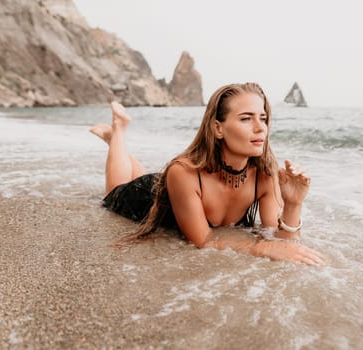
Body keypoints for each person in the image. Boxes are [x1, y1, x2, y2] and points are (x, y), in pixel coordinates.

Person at [90, 82, 325, 266]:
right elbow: (202, 239)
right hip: (148, 197)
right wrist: (259, 248)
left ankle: (117, 143)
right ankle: (118, 132)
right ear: (218, 128)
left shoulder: (265, 174)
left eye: (262, 118)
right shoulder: (183, 172)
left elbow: (278, 240)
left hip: (174, 192)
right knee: (115, 190)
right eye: (246, 118)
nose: (260, 127)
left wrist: (293, 204)